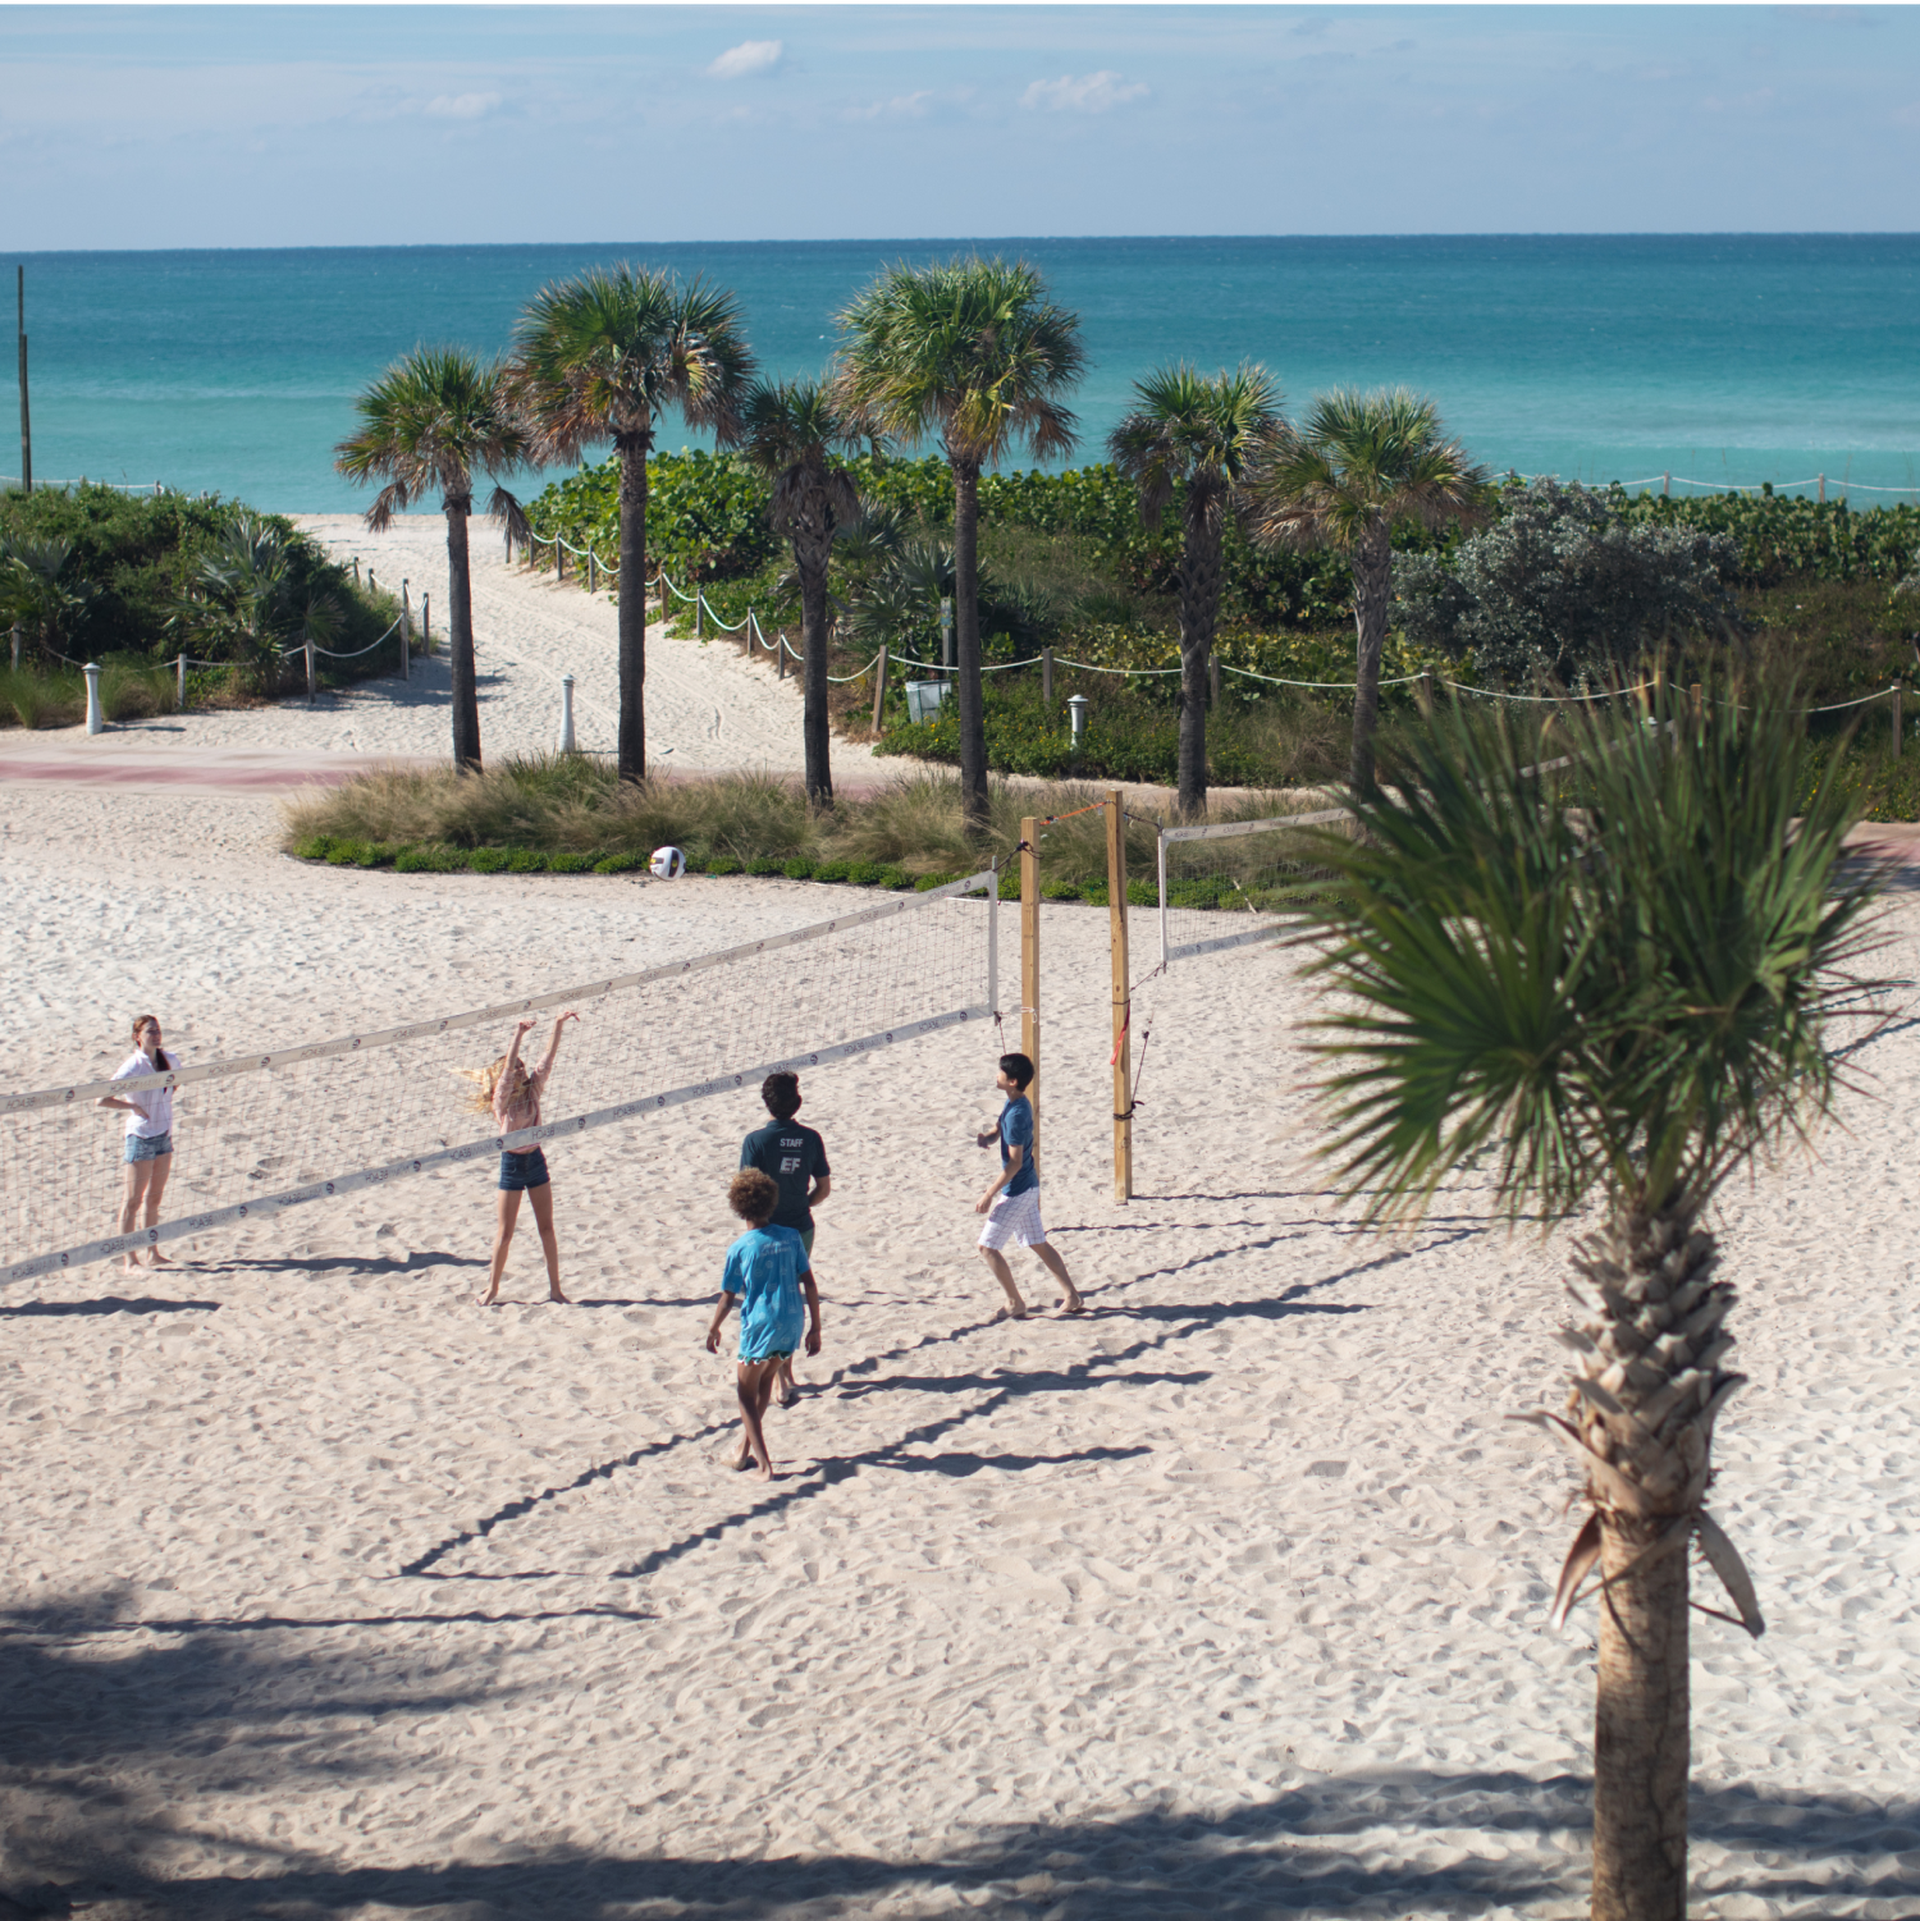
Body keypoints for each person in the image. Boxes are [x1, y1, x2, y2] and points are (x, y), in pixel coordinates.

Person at [706, 1168, 821, 1482]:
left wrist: (714, 1328)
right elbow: (810, 1284)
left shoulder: (740, 1247)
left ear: (739, 1206)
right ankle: (742, 1451)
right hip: (792, 1321)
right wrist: (816, 1327)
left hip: (761, 1324)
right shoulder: (791, 1237)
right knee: (766, 1381)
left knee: (745, 1394)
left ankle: (764, 1466)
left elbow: (727, 1297)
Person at [471, 1011, 578, 1305]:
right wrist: (518, 1035)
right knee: (505, 1233)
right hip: (512, 1166)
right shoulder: (501, 1102)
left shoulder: (533, 1092)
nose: (520, 1070)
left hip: (536, 1162)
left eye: (522, 1067)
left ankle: (556, 1290)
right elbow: (506, 1071)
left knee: (547, 1228)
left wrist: (557, 1025)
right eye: (516, 1067)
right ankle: (492, 1289)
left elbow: (547, 1059)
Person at [738, 1071, 831, 1407]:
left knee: (768, 1299)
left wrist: (753, 1236)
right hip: (800, 1228)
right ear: (798, 1102)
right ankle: (784, 1376)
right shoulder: (811, 1138)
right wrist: (801, 1205)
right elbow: (823, 1189)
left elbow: (747, 1197)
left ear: (766, 1103)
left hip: (766, 1230)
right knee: (792, 1296)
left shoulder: (755, 1141)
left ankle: (778, 1378)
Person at [974, 1052, 1084, 1319]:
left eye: (1000, 1072)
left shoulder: (1017, 1114)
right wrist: (988, 1138)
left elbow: (1014, 1162)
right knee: (1038, 1242)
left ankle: (1014, 1302)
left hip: (1019, 1191)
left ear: (1012, 1081)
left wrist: (989, 1193)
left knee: (987, 1247)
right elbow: (999, 1128)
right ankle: (1072, 1296)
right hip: (1029, 1186)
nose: (996, 1074)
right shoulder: (1014, 1101)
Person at [97, 1014, 179, 1273]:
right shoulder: (133, 1066)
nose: (156, 1034)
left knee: (154, 1199)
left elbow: (173, 1087)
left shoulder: (170, 1060)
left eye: (158, 1030)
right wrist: (132, 1106)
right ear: (137, 1037)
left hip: (163, 1135)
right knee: (132, 1201)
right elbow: (102, 1099)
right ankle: (130, 1260)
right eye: (150, 1031)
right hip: (141, 1136)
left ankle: (152, 1253)